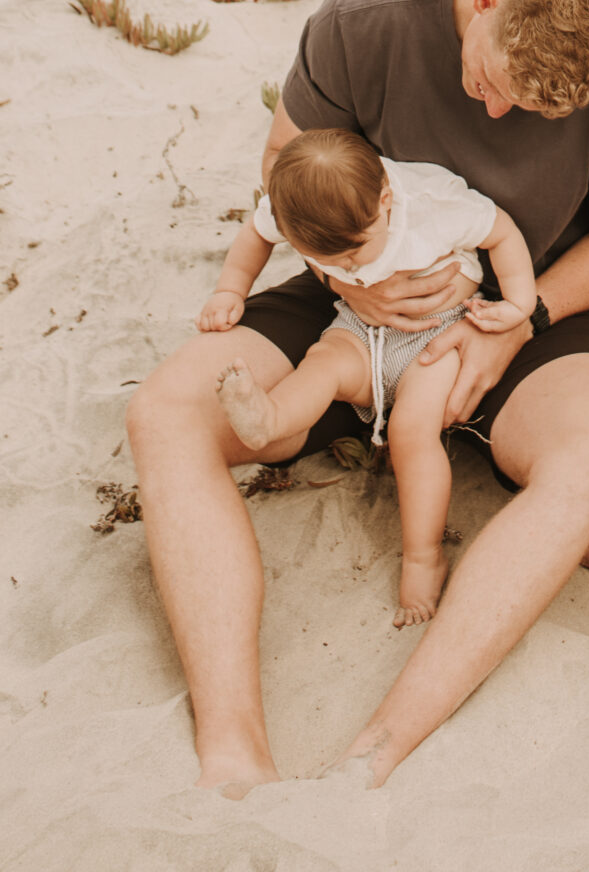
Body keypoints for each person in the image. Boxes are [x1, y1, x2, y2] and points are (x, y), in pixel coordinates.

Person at [126, 0, 589, 791]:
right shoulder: (366, 20)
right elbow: (284, 172)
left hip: (525, 312)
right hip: (352, 294)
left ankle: (384, 745)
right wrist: (351, 283)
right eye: (492, 81)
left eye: (522, 108)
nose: (494, 110)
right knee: (166, 414)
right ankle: (233, 747)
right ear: (486, 0)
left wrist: (516, 319)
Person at [200, 127, 537, 626]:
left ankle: (424, 558)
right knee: (325, 362)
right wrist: (231, 290)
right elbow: (255, 234)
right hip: (361, 326)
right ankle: (269, 418)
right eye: (326, 260)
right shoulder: (294, 205)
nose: (344, 265)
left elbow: (502, 231)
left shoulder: (430, 202)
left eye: (353, 252)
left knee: (411, 430)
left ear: (384, 202)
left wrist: (520, 303)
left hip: (441, 330)